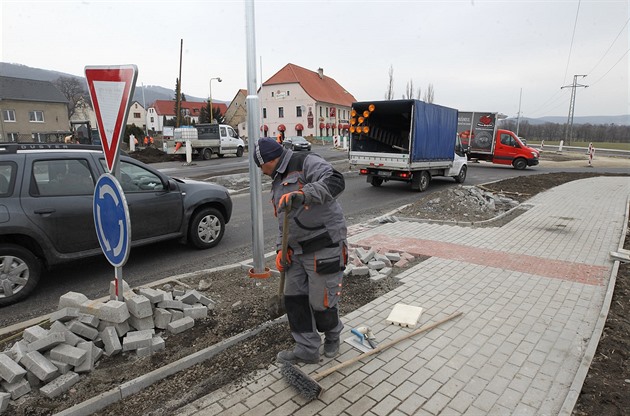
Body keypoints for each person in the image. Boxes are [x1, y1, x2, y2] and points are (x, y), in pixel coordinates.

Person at [254, 137, 347, 364]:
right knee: (294, 299)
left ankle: (332, 335)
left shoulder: (306, 161)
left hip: (323, 244)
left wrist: (304, 194)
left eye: (261, 165)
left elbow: (335, 181)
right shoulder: (278, 179)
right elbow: (283, 220)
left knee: (321, 303)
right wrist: (281, 248)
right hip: (295, 251)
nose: (261, 171)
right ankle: (307, 349)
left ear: (270, 160)